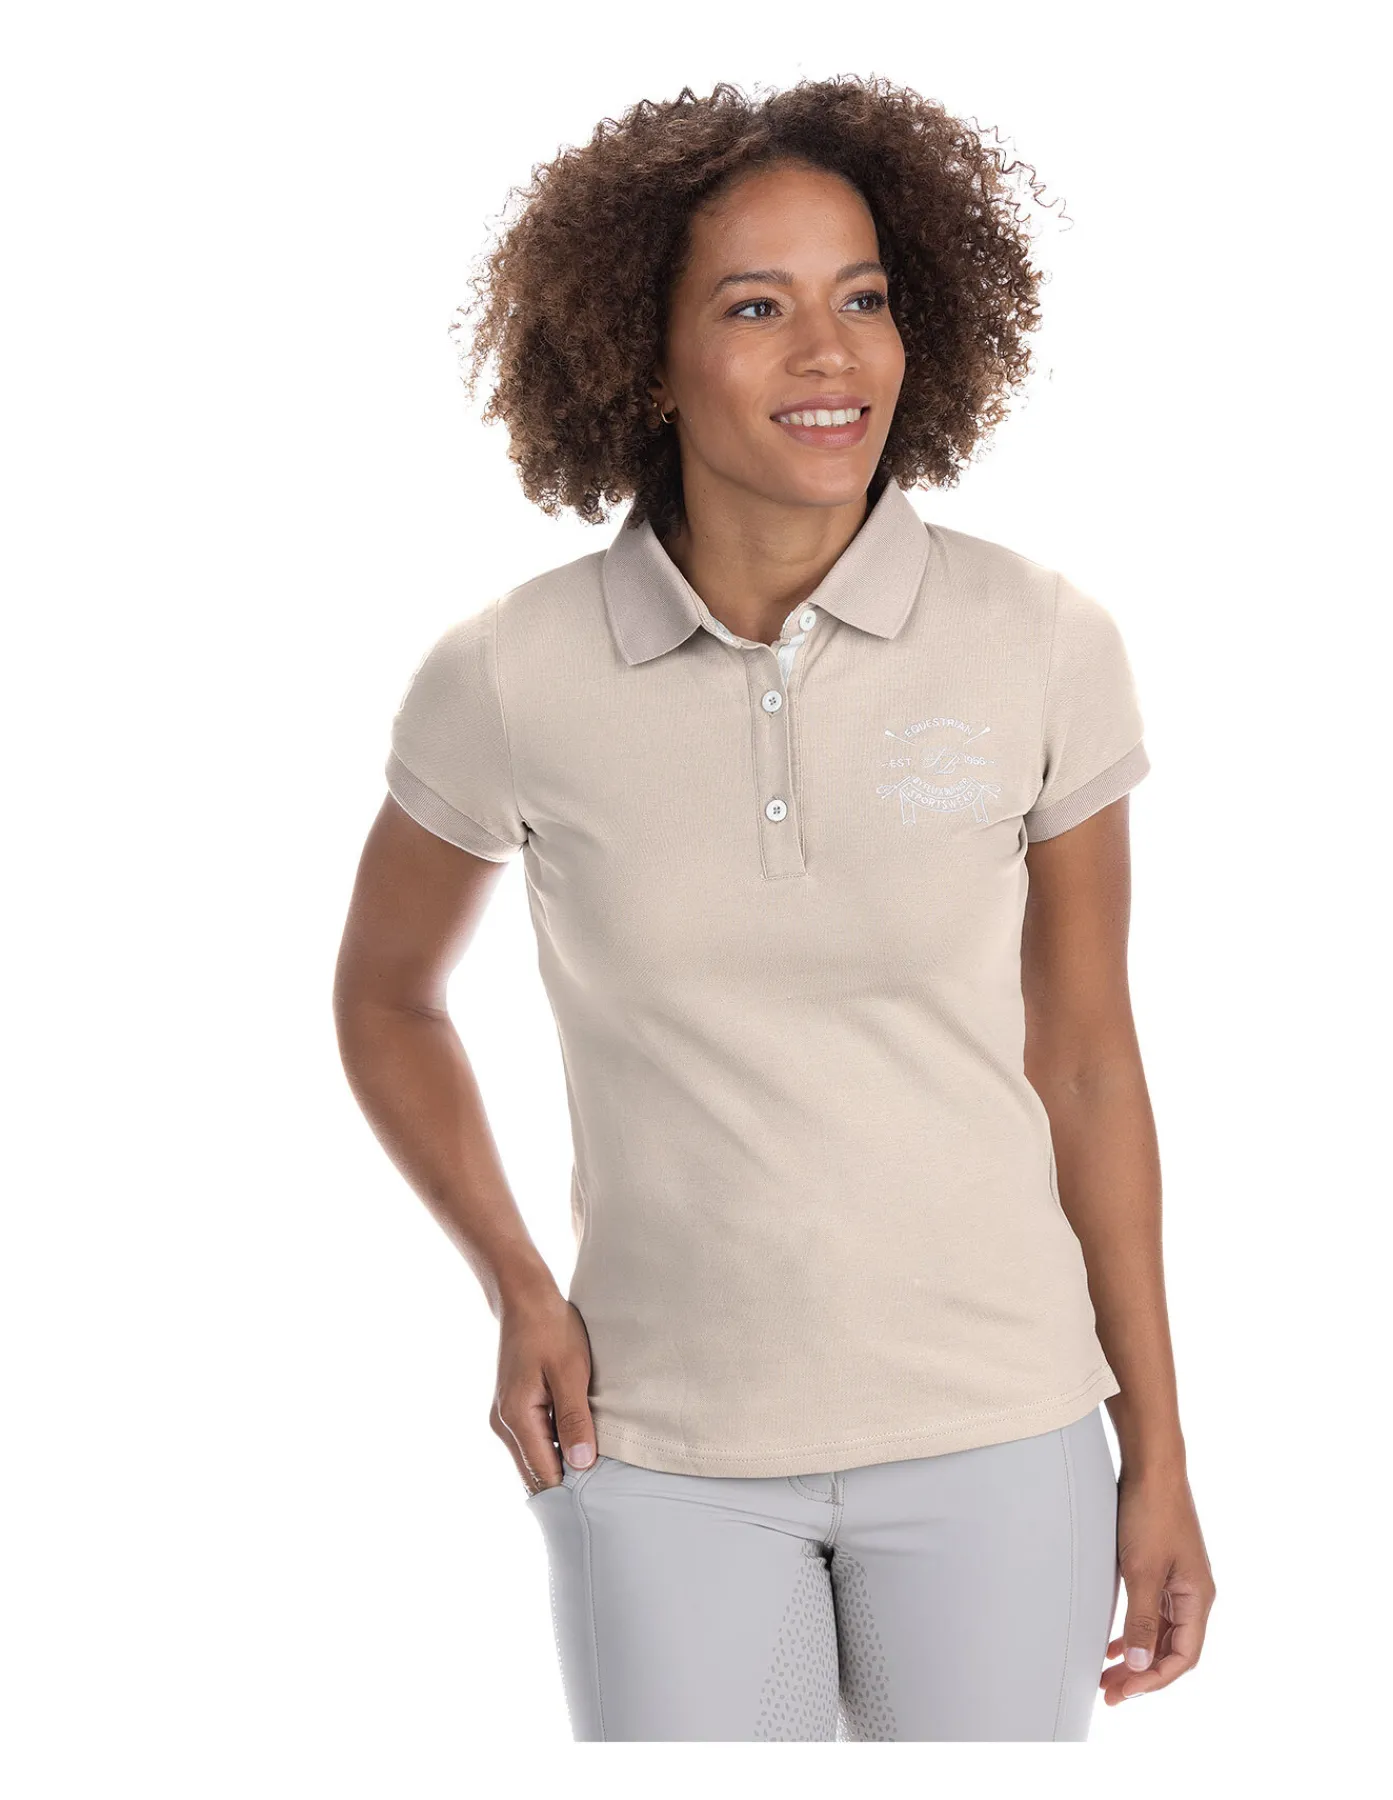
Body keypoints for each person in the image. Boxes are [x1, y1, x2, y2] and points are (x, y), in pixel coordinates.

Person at [333, 74, 1215, 1742]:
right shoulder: (509, 673)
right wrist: (515, 1281)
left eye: (862, 299)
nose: (831, 355)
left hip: (1000, 1430)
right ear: (641, 358)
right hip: (655, 1446)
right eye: (756, 307)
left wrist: (1157, 1454)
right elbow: (386, 997)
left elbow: (1091, 1063)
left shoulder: (1038, 641)